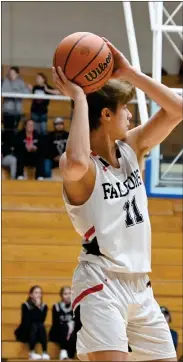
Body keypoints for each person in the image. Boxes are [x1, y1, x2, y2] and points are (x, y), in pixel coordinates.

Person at [52, 37, 182, 362]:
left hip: (141, 285)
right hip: (101, 283)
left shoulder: (132, 148)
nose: (132, 115)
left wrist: (130, 72)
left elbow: (177, 110)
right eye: (126, 108)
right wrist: (80, 100)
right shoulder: (82, 169)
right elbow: (78, 161)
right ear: (106, 115)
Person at [14, 285, 50, 360]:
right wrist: (36, 307)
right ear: (31, 295)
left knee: (40, 325)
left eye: (40, 293)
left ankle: (44, 352)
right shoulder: (25, 305)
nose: (38, 295)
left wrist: (39, 307)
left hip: (37, 333)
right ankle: (31, 352)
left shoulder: (44, 306)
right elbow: (28, 320)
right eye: (36, 293)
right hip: (25, 331)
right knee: (34, 324)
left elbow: (41, 320)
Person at [49, 286, 76, 360]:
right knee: (64, 326)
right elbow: (55, 324)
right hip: (58, 333)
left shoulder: (75, 307)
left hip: (71, 334)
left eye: (70, 293)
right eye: (65, 294)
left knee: (74, 333)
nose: (68, 296)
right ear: (61, 295)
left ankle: (70, 356)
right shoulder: (56, 307)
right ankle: (63, 350)